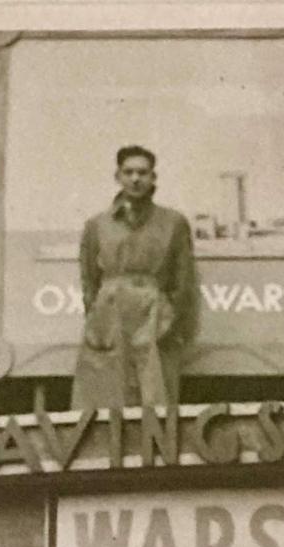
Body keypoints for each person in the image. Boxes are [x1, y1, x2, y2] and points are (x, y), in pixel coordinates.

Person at [72, 144, 197, 411]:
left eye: (143, 172)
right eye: (128, 172)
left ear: (154, 177)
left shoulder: (173, 222)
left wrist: (169, 319)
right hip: (110, 316)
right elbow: (89, 279)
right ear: (117, 176)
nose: (136, 178)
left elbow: (183, 278)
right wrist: (97, 317)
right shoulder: (97, 225)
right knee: (106, 396)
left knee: (155, 395)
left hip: (154, 316)